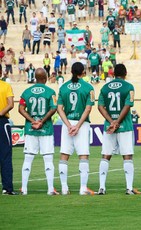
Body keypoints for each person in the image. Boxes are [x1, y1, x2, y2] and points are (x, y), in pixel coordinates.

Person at [97, 64, 139, 195]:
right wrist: (118, 122)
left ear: (113, 73)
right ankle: (129, 188)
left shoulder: (104, 87)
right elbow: (128, 105)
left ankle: (102, 187)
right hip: (125, 126)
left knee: (106, 156)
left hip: (109, 127)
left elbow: (100, 107)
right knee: (127, 156)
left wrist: (111, 122)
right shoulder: (129, 87)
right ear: (125, 73)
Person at [56, 63, 96, 195]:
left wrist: (68, 125)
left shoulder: (63, 87)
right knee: (83, 155)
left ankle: (64, 188)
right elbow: (88, 108)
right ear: (83, 72)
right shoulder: (89, 87)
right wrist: (78, 126)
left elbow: (59, 109)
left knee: (64, 155)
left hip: (67, 123)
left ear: (71, 71)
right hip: (82, 124)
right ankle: (83, 188)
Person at [18, 68, 58, 195]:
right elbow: (54, 108)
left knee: (28, 158)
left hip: (30, 129)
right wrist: (42, 121)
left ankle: (24, 189)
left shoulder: (26, 92)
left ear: (35, 78)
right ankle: (50, 189)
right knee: (48, 159)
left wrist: (32, 121)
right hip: (45, 129)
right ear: (45, 78)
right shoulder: (50, 91)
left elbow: (21, 109)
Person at [0, 70, 15, 195]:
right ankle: (7, 188)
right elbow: (10, 104)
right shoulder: (6, 86)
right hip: (2, 121)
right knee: (5, 156)